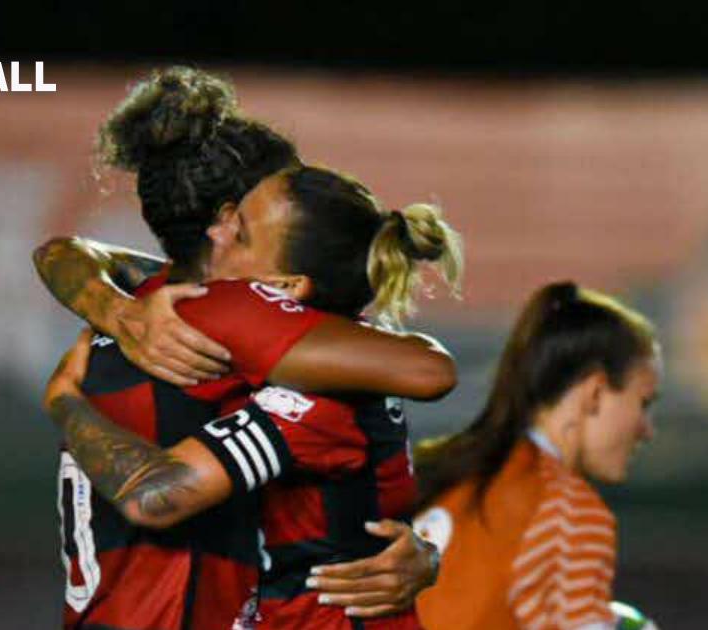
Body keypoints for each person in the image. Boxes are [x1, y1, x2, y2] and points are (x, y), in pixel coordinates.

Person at [38, 67, 458, 630]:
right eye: (264, 204)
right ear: (222, 222)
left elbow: (62, 252)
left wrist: (72, 386)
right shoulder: (239, 313)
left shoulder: (133, 307)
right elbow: (429, 371)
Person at [412, 281, 663, 630]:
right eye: (643, 403)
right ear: (595, 392)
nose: (646, 429)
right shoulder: (567, 510)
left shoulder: (450, 476)